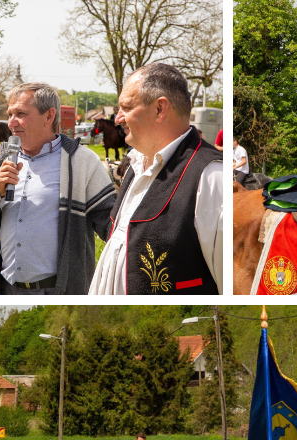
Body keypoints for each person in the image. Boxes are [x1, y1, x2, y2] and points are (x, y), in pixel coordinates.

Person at [0, 84, 116, 295]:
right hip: (6, 290)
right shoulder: (2, 161)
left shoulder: (81, 161)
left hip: (60, 293)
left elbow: (114, 228)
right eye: (10, 114)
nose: (11, 122)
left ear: (49, 116)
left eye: (21, 114)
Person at [90, 63, 223, 294]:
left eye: (126, 107)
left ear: (160, 109)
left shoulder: (211, 178)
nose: (118, 118)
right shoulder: (134, 165)